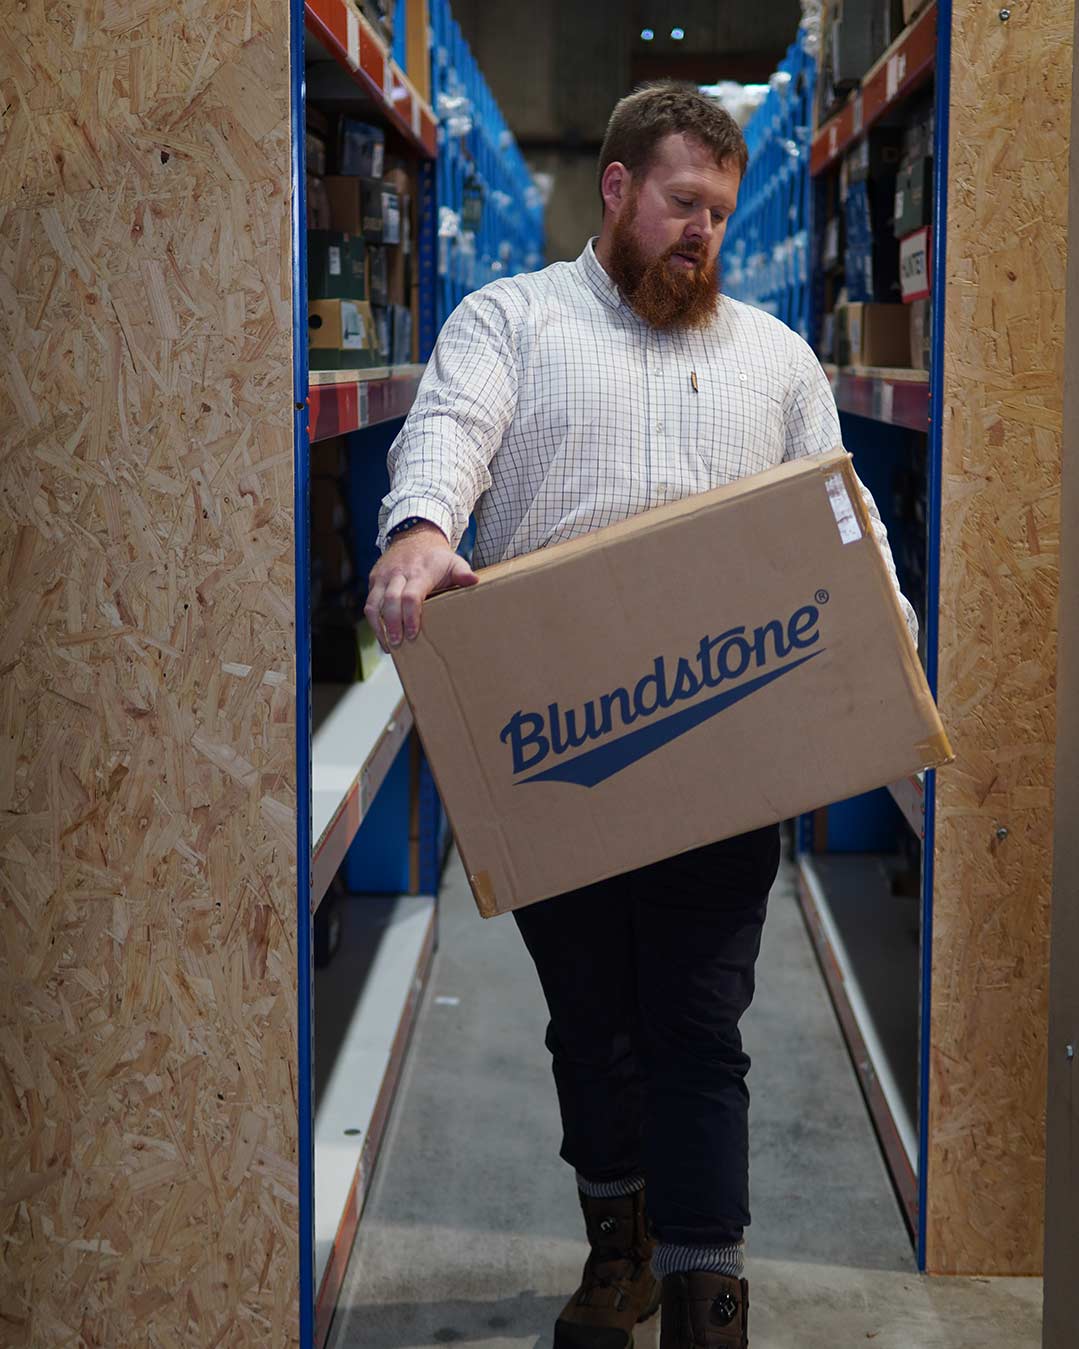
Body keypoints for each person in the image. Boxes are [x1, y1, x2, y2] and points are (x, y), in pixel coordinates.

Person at [364, 81, 917, 1349]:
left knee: (698, 1026)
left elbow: (846, 528)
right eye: (682, 204)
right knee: (593, 1028)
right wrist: (417, 533)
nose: (701, 234)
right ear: (615, 188)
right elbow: (445, 436)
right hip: (560, 760)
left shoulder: (773, 360)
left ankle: (705, 1293)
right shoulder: (511, 322)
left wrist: (884, 657)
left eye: (719, 214)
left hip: (724, 756)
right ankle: (615, 1250)